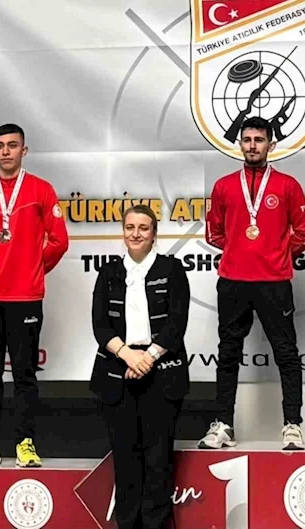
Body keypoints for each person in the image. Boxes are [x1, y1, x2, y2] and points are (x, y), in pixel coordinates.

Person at [0, 123, 69, 467]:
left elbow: (59, 241)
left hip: (25, 299)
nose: (6, 151)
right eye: (0, 145)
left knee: (24, 376)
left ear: (24, 150)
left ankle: (25, 443)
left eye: (13, 145)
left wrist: (32, 267)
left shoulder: (41, 190)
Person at [198, 116, 305, 451]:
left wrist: (275, 253)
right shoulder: (223, 186)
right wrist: (241, 251)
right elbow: (214, 232)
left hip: (274, 282)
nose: (252, 146)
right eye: (247, 140)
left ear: (271, 145)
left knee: (286, 353)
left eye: (259, 140)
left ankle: (292, 424)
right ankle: (223, 424)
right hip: (233, 282)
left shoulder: (288, 185)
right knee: (228, 354)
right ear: (240, 144)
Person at [90, 204, 190, 529]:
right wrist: (128, 355)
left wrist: (148, 357)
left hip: (162, 374)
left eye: (143, 228)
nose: (136, 234)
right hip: (117, 374)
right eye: (130, 227)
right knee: (125, 461)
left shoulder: (172, 269)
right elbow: (100, 325)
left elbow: (177, 322)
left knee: (158, 462)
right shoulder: (108, 273)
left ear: (154, 233)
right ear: (123, 232)